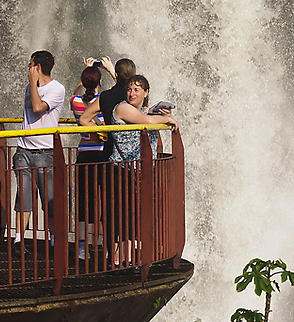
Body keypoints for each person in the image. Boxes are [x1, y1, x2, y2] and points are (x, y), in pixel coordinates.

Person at [80, 74, 176, 266]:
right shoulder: (122, 108)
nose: (132, 93)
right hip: (121, 170)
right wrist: (168, 119)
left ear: (146, 92)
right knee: (120, 218)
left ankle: (129, 259)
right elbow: (146, 121)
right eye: (130, 89)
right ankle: (116, 261)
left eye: (136, 89)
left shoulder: (142, 110)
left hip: (138, 171)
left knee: (132, 218)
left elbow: (147, 116)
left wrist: (163, 114)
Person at [13, 50, 66, 250]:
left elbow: (37, 108)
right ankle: (19, 238)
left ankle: (54, 240)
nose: (28, 68)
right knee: (23, 196)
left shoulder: (56, 89)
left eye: (31, 64)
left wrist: (33, 84)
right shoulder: (30, 86)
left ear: (38, 67)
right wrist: (33, 84)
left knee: (49, 198)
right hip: (24, 149)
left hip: (45, 151)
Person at [70, 63, 105, 260]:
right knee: (107, 200)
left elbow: (75, 91)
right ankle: (104, 244)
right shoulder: (104, 101)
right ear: (100, 82)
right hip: (102, 154)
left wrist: (84, 73)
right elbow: (122, 96)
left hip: (83, 155)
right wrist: (110, 71)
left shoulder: (76, 101)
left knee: (85, 202)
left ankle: (83, 248)